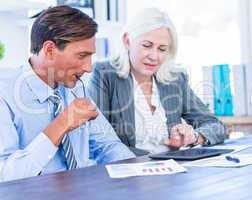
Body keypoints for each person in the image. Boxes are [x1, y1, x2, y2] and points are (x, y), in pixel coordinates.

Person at [0, 5, 135, 182]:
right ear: (49, 50)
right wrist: (62, 124)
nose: (88, 68)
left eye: (91, 56)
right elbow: (6, 176)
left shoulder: (75, 86)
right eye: (82, 56)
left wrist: (137, 173)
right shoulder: (5, 93)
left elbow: (107, 145)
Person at [88, 8, 228, 156]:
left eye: (162, 49)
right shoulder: (105, 74)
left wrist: (193, 137)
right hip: (127, 171)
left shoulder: (175, 79)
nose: (154, 56)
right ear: (127, 41)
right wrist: (153, 158)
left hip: (172, 170)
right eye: (147, 46)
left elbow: (216, 126)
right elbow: (97, 138)